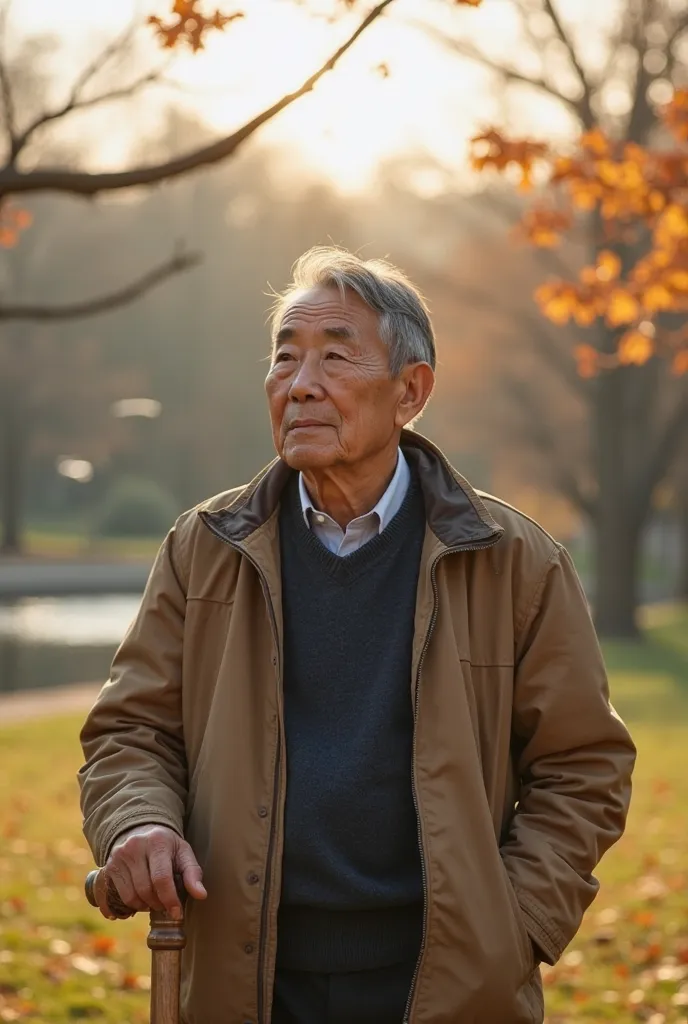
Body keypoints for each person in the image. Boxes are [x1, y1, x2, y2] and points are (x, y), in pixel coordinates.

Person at [78, 246, 636, 1024]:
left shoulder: (514, 561)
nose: (299, 384)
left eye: (335, 358)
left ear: (411, 391)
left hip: (445, 982)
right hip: (247, 982)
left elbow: (583, 765)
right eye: (285, 359)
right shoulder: (203, 548)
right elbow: (130, 730)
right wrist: (139, 821)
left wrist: (512, 925)